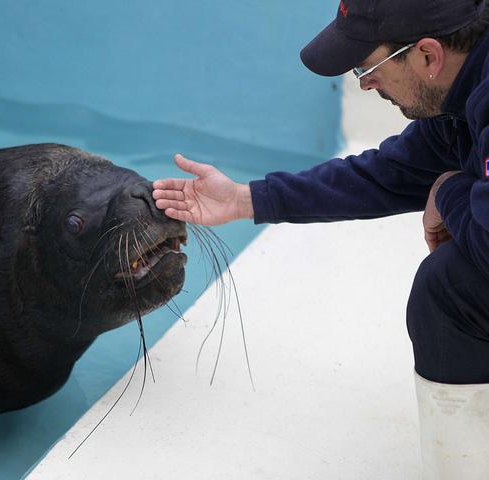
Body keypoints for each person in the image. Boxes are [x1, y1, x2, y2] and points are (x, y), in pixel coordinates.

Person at [152, 0, 489, 478]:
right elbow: (388, 174)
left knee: (451, 288)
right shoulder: (461, 94)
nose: (365, 83)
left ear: (428, 57)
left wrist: (448, 189)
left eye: (366, 67)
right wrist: (246, 199)